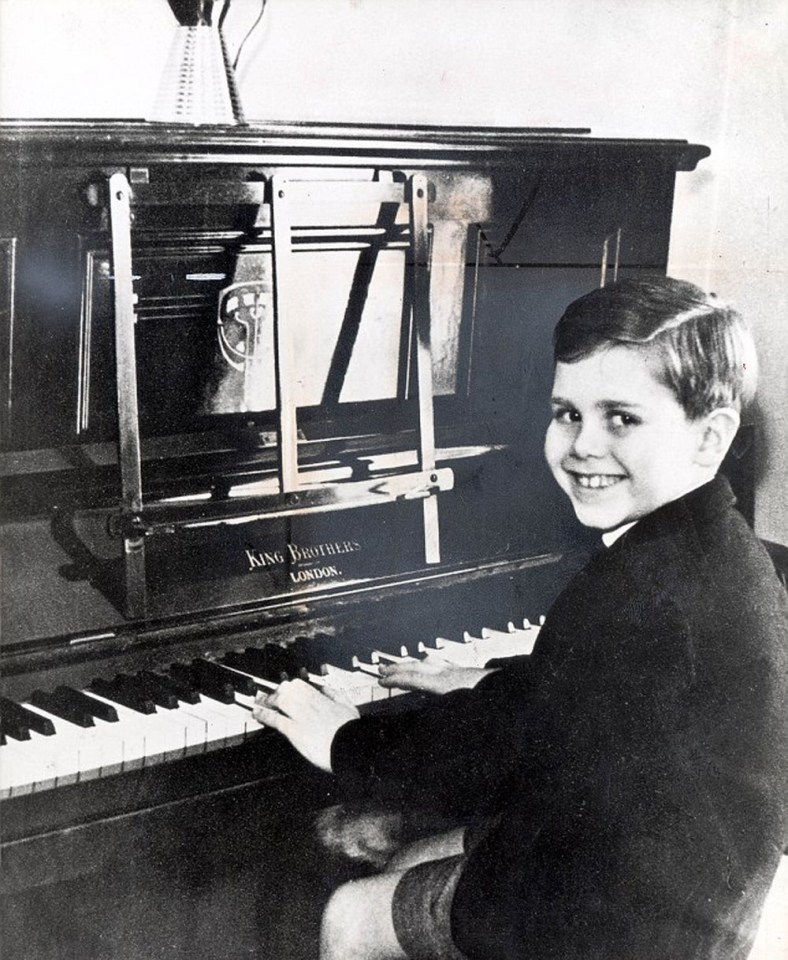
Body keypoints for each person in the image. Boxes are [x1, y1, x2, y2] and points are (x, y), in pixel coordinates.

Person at [253, 276, 788, 960]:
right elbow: (583, 700)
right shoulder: (713, 550)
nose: (583, 446)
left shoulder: (641, 586)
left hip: (620, 926)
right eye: (567, 413)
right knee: (403, 853)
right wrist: (485, 679)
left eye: (620, 418)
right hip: (682, 891)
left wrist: (344, 740)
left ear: (711, 438)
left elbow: (496, 754)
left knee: (350, 914)